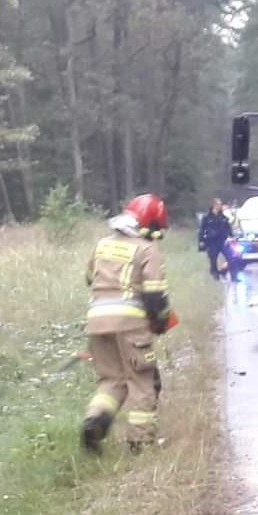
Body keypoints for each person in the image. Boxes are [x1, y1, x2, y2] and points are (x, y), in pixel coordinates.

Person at [82, 194, 173, 453]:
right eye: (156, 229)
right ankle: (140, 443)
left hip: (97, 322)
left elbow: (89, 278)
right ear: (148, 225)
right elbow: (155, 297)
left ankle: (94, 421)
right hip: (130, 325)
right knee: (142, 381)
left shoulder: (102, 245)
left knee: (111, 380)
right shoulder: (147, 249)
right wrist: (161, 322)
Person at [198, 199, 233, 279]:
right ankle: (215, 274)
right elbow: (202, 229)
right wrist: (201, 240)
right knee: (213, 259)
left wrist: (231, 236)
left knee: (231, 257)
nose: (220, 206)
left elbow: (228, 228)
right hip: (212, 241)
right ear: (214, 205)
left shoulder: (223, 217)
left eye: (220, 204)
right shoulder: (207, 218)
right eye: (219, 204)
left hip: (222, 240)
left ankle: (224, 271)